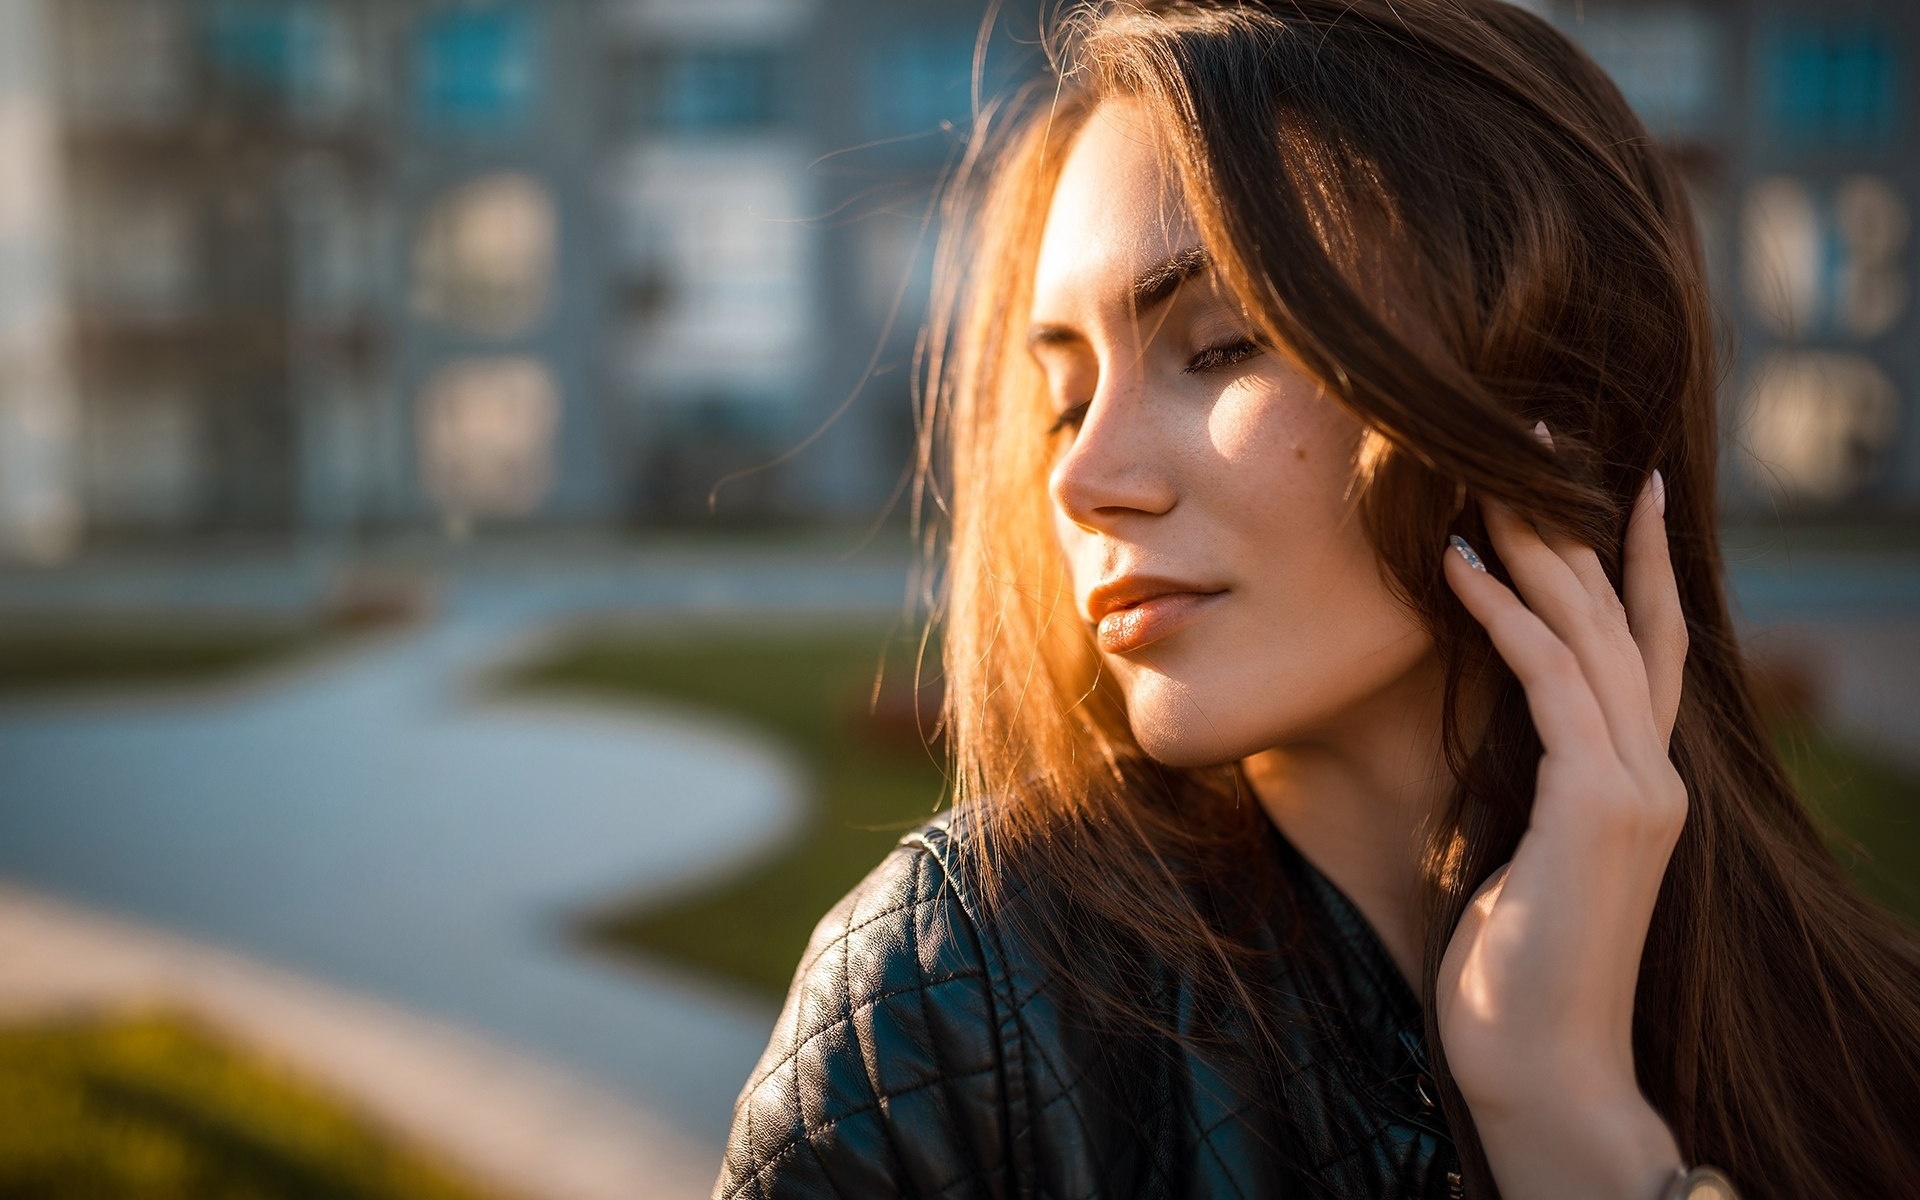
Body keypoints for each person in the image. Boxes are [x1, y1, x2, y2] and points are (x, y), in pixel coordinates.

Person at [715, 1, 1920, 1196]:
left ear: (1540, 385)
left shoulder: (1873, 1055)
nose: (1079, 480)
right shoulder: (947, 1009)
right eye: (1065, 399)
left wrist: (1566, 1111)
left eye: (1222, 343)